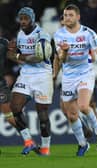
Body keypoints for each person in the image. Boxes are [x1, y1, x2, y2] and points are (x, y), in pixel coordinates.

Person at [53, 4, 97, 156]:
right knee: (71, 115)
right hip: (68, 77)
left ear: (78, 17)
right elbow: (61, 59)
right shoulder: (59, 35)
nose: (67, 18)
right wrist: (65, 52)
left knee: (84, 105)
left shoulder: (88, 33)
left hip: (85, 73)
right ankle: (82, 144)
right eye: (65, 15)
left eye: (70, 15)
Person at [7, 7, 53, 156]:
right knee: (15, 106)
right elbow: (16, 55)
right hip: (26, 75)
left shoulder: (42, 35)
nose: (23, 21)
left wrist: (18, 57)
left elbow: (39, 57)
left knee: (43, 114)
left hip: (42, 75)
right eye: (21, 19)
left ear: (32, 19)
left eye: (26, 18)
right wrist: (13, 52)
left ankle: (45, 148)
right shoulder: (20, 34)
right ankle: (29, 142)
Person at [0, 37, 16, 127]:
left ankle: (28, 138)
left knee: (8, 113)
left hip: (0, 84)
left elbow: (13, 56)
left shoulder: (4, 42)